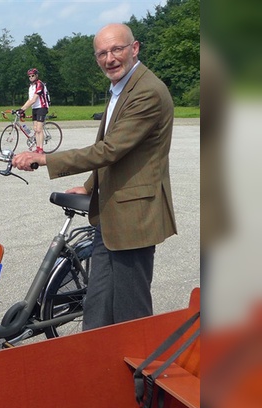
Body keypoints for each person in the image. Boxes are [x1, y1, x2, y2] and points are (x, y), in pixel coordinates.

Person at [13, 23, 176, 330]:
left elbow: (110, 150)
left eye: (117, 49)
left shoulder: (147, 92)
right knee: (98, 305)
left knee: (130, 313)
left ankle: (137, 379)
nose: (109, 58)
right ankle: (96, 373)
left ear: (135, 48)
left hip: (134, 217)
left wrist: (44, 157)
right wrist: (89, 186)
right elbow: (121, 153)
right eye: (102, 52)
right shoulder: (121, 87)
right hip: (110, 212)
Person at [17, 68, 50, 154]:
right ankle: (38, 148)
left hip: (42, 107)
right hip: (34, 108)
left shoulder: (40, 84)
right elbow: (29, 100)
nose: (31, 77)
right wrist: (21, 109)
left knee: (39, 129)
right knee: (35, 129)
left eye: (33, 75)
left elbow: (34, 100)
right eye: (29, 76)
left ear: (36, 76)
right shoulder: (31, 87)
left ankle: (41, 149)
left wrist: (23, 109)